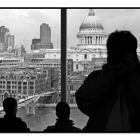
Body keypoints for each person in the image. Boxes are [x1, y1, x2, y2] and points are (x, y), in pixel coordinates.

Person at [75, 30, 140, 132]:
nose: (118, 60)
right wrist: (109, 75)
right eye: (114, 55)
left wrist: (134, 75)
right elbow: (82, 101)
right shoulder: (98, 78)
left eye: (121, 55)